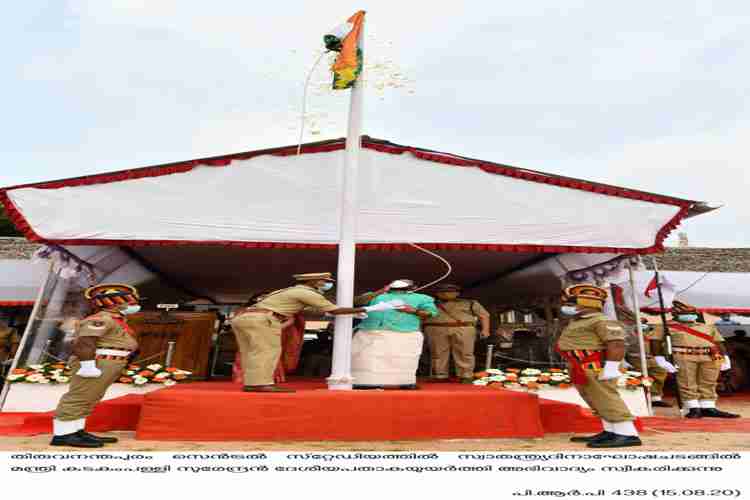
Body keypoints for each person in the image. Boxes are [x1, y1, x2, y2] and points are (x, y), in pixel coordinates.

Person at [231, 272, 401, 393]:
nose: (327, 284)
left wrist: (355, 311)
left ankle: (252, 383)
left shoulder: (290, 291)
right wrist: (372, 307)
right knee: (267, 351)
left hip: (245, 318)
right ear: (313, 282)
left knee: (251, 352)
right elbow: (333, 310)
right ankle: (262, 384)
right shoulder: (307, 292)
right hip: (264, 319)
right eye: (324, 281)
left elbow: (316, 311)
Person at [51, 284, 142, 448]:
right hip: (97, 362)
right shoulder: (100, 319)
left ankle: (76, 431)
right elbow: (85, 342)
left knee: (90, 398)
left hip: (108, 362)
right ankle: (63, 434)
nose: (133, 305)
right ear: (115, 302)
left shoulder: (116, 320)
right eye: (129, 302)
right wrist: (87, 366)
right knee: (80, 397)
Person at [557, 284, 642, 448]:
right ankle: (610, 430)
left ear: (586, 303)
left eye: (572, 303)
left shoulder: (602, 321)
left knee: (607, 398)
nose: (567, 307)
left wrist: (611, 367)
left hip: (595, 366)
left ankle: (627, 434)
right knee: (596, 400)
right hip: (581, 367)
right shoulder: (579, 321)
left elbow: (616, 344)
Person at [655, 301, 738, 419]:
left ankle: (708, 407)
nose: (690, 315)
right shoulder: (665, 326)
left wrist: (725, 357)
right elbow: (655, 342)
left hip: (710, 356)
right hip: (683, 355)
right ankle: (693, 408)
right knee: (687, 382)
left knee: (709, 382)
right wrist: (659, 358)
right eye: (685, 313)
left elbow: (718, 342)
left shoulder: (706, 326)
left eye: (692, 312)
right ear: (675, 314)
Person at [352, 279, 438, 389]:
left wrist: (413, 311)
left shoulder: (422, 298)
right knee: (368, 358)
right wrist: (381, 291)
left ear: (413, 287)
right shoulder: (375, 295)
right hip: (370, 332)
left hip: (405, 333)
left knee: (403, 360)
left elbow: (431, 313)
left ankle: (405, 382)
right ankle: (366, 382)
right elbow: (357, 302)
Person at [423, 283, 490, 383]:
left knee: (465, 353)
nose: (446, 294)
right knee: (437, 353)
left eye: (450, 292)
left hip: (463, 328)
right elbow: (420, 316)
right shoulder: (429, 304)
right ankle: (439, 375)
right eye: (443, 292)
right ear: (437, 294)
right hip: (436, 329)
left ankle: (466, 375)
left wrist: (486, 330)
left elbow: (484, 316)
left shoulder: (470, 303)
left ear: (457, 293)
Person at [624, 318, 675, 407]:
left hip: (651, 357)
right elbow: (623, 346)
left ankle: (655, 398)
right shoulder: (628, 333)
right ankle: (638, 397)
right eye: (641, 322)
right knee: (639, 377)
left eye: (644, 322)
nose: (643, 324)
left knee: (659, 373)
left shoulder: (650, 331)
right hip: (635, 357)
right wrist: (623, 360)